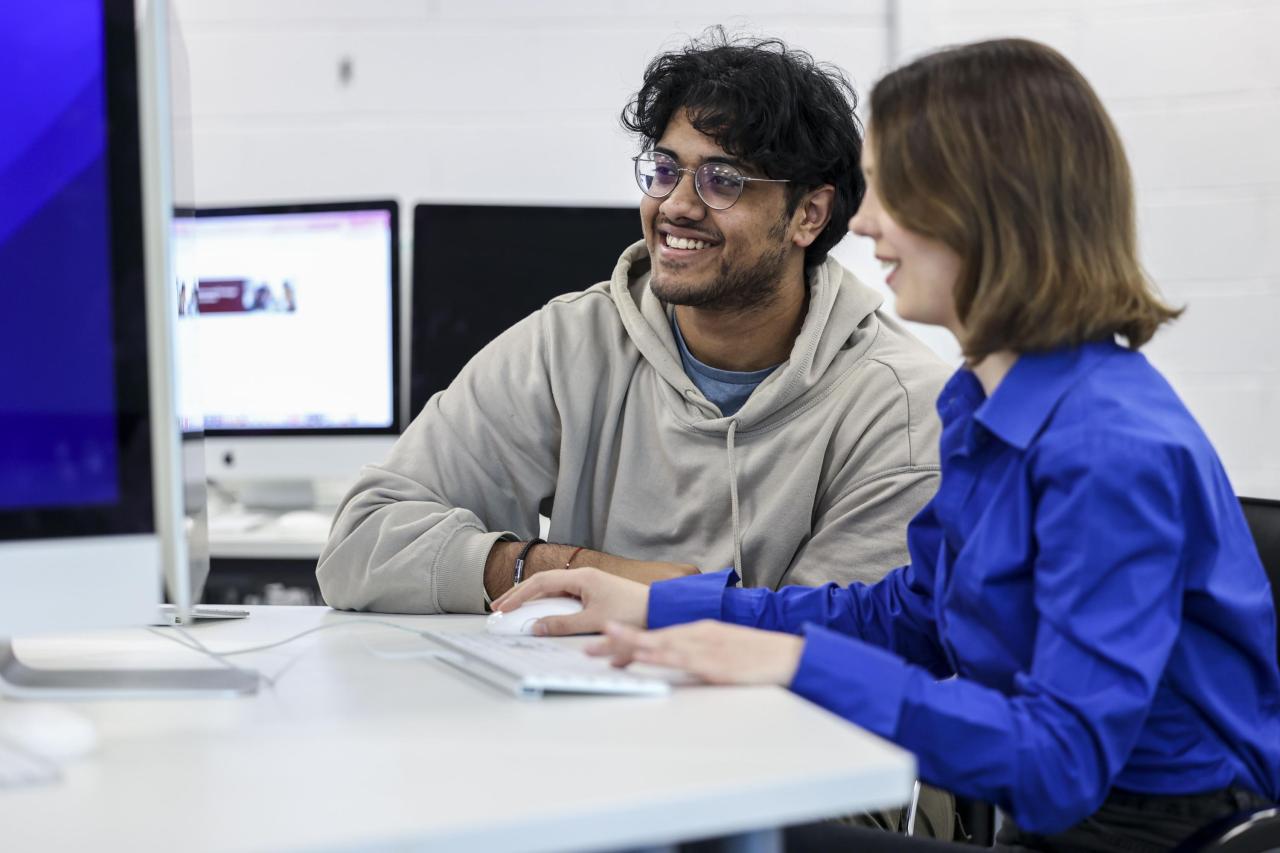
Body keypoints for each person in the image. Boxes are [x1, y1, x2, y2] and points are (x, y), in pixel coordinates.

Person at [492, 38, 1280, 852]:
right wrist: (658, 605)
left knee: (696, 837)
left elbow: (1059, 758)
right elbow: (911, 615)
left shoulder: (1110, 447)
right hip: (1065, 817)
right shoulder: (985, 400)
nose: (864, 222)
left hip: (1158, 834)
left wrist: (794, 665)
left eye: (895, 192)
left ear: (989, 209)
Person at [316, 31, 949, 615]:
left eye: (721, 179)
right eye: (666, 169)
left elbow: (841, 642)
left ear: (809, 215)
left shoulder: (902, 406)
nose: (675, 205)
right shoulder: (570, 344)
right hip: (568, 718)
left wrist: (660, 604)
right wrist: (565, 568)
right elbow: (359, 543)